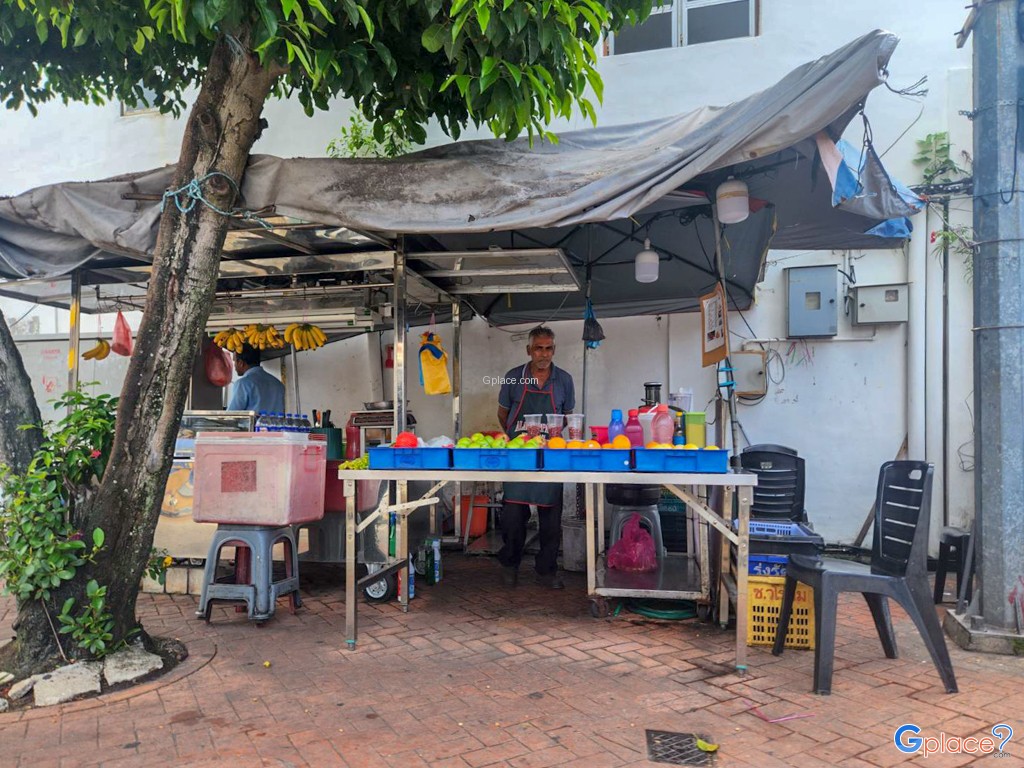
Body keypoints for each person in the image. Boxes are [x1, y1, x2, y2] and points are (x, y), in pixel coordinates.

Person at [496, 327, 575, 589]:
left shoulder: (564, 380)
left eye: (549, 348)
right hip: (518, 456)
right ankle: (510, 566)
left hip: (550, 456)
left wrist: (548, 436)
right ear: (528, 350)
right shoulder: (513, 378)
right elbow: (503, 414)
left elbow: (567, 416)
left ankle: (546, 571)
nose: (544, 353)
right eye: (538, 348)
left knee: (551, 518)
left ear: (554, 349)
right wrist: (518, 435)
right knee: (513, 517)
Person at [227, 343, 285, 414]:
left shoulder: (243, 384)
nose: (234, 365)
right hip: (276, 425)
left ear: (241, 363)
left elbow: (232, 415)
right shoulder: (278, 383)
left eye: (235, 361)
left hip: (253, 425)